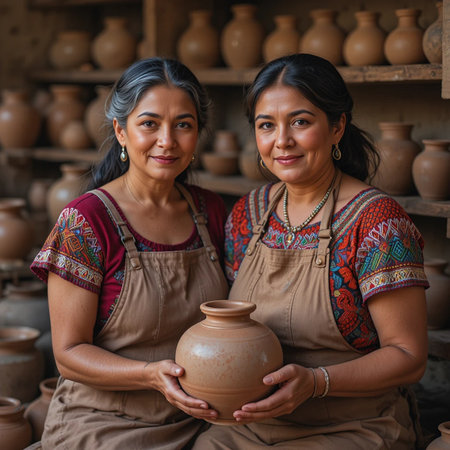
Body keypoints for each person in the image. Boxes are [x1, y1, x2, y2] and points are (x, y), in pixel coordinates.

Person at [193, 53, 429, 449]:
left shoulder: (377, 223)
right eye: (266, 125)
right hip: (249, 426)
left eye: (300, 122)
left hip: (352, 426)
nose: (281, 141)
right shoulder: (247, 215)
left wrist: (317, 382)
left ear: (337, 126)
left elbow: (409, 356)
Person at [30, 57, 229, 449]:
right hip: (106, 421)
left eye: (183, 125)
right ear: (121, 131)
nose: (167, 141)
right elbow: (68, 354)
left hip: (200, 417)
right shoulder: (86, 221)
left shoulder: (211, 211)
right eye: (149, 124)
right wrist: (150, 375)